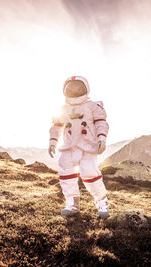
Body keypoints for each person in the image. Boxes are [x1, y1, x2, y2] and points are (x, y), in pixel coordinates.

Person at [48, 76, 110, 218]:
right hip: (69, 146)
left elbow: (101, 123)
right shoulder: (63, 109)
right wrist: (53, 141)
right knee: (65, 173)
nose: (74, 90)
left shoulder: (93, 106)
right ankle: (72, 203)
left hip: (88, 145)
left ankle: (102, 202)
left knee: (90, 172)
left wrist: (102, 138)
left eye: (78, 87)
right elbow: (56, 127)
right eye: (71, 87)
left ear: (85, 88)